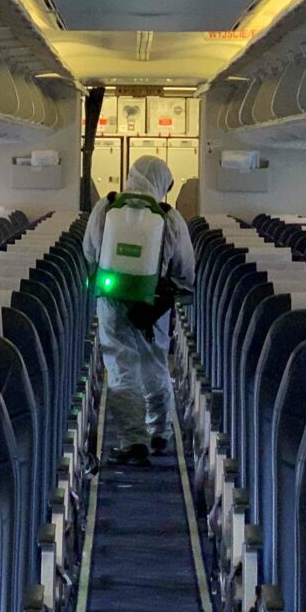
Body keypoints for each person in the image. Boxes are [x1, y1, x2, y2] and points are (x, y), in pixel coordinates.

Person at [83, 155, 195, 466]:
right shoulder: (169, 217)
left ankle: (133, 440)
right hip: (151, 302)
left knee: (121, 368)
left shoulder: (106, 207)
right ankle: (160, 431)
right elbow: (185, 271)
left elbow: (89, 250)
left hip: (111, 298)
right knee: (155, 364)